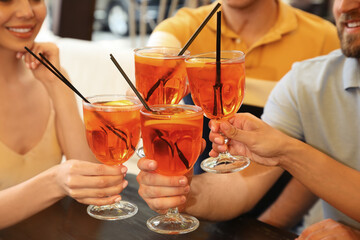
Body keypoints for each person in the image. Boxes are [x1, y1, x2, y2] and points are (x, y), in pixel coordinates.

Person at [136, 0, 360, 234]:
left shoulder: (320, 42)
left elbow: (306, 164)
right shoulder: (304, 80)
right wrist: (180, 191)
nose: (345, 6)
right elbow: (238, 187)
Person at [0, 0, 127, 229]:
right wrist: (54, 183)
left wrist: (58, 85)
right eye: (6, 1)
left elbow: (93, 187)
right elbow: (64, 181)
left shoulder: (49, 76)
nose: (27, 12)